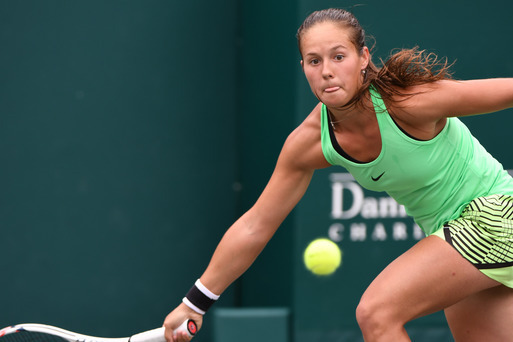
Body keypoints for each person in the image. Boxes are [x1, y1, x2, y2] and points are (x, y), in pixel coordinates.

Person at [164, 8, 513, 342]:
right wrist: (194, 303)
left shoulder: (410, 103)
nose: (327, 71)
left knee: (377, 312)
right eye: (315, 61)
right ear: (303, 68)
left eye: (339, 57)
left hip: (496, 214)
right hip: (453, 235)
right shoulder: (308, 143)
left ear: (363, 58)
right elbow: (256, 225)